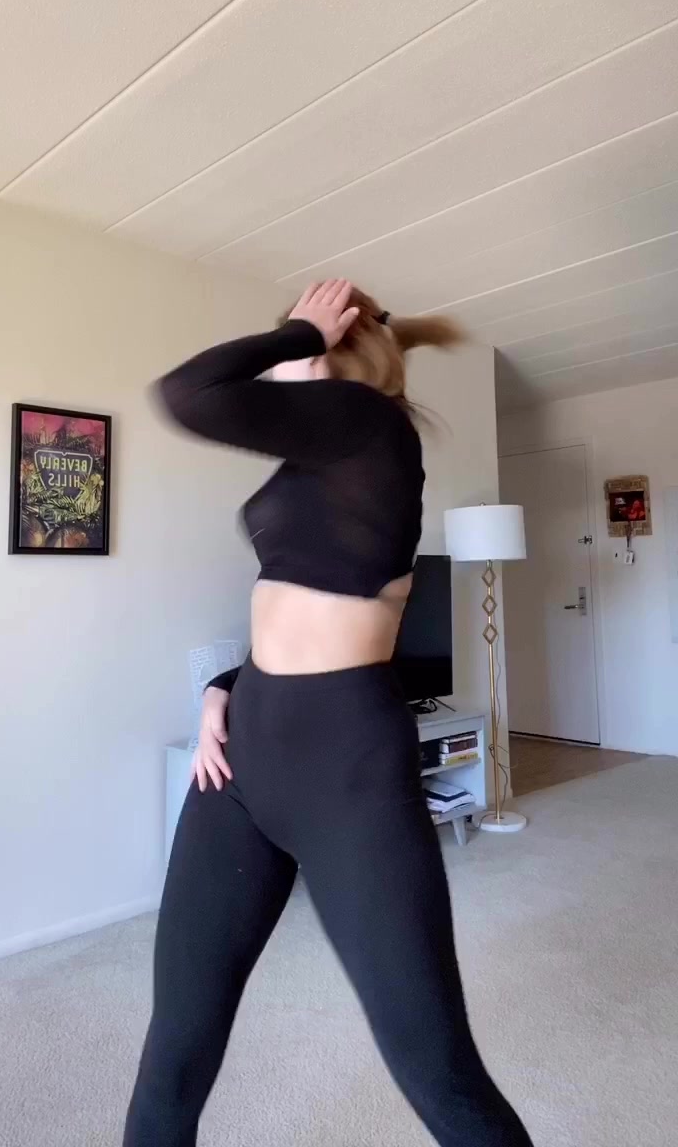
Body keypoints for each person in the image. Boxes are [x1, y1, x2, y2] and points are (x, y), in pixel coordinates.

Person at [123, 279, 533, 1147]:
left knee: (436, 1069)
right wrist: (224, 685)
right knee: (176, 1046)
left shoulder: (372, 426)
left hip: (346, 764)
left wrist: (297, 336)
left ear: (333, 351)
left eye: (303, 343)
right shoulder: (322, 454)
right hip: (241, 759)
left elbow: (187, 394)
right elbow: (297, 606)